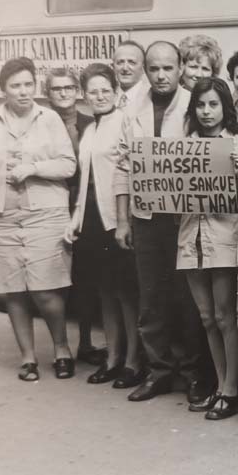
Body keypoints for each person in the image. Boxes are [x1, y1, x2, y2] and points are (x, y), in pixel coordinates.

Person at [0, 57, 77, 381]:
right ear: (4, 90)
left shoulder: (50, 119)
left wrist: (34, 168)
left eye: (28, 84)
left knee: (46, 290)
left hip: (45, 215)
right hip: (0, 216)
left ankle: (61, 348)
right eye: (16, 86)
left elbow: (68, 165)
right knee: (13, 290)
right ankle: (27, 358)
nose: (24, 92)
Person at [113, 41, 212, 404]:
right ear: (145, 70)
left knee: (188, 299)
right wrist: (123, 220)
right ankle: (158, 371)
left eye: (167, 68)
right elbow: (122, 167)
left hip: (185, 218)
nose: (160, 75)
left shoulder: (194, 104)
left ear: (180, 67)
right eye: (153, 68)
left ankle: (193, 373)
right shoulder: (132, 108)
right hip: (146, 218)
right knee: (151, 297)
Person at [176, 77, 238, 420]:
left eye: (213, 104)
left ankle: (232, 390)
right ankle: (220, 383)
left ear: (226, 107)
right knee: (207, 318)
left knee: (225, 317)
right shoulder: (183, 146)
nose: (207, 112)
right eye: (200, 105)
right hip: (190, 238)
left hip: (224, 238)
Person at [64, 63, 145, 386]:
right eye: (93, 92)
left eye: (105, 91)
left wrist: (128, 220)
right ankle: (112, 358)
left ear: (115, 92)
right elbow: (86, 182)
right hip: (92, 221)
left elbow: (132, 173)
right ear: (85, 95)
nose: (99, 97)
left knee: (126, 294)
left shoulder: (126, 122)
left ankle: (133, 362)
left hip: (117, 219)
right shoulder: (90, 129)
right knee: (104, 293)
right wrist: (75, 219)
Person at [45, 67, 107, 367]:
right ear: (48, 94)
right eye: (57, 89)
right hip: (52, 204)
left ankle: (85, 342)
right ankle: (62, 346)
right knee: (57, 278)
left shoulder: (90, 122)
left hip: (84, 206)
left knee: (86, 276)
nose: (64, 93)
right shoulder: (41, 122)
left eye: (69, 87)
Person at [177, 34, 224, 112]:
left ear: (213, 73)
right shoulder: (172, 99)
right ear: (182, 67)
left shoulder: (219, 101)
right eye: (193, 67)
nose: (199, 74)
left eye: (205, 69)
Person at [112, 40, 150, 110]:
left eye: (132, 62)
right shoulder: (107, 98)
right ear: (113, 67)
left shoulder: (152, 100)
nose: (125, 68)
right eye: (120, 62)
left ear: (143, 68)